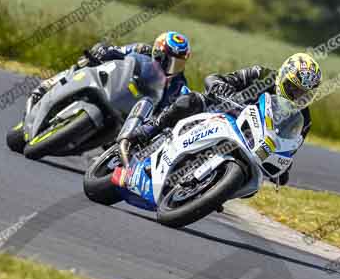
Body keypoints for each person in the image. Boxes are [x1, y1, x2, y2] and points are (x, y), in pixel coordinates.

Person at [117, 52, 323, 186]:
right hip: (222, 112)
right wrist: (221, 86)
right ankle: (149, 129)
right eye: (293, 89)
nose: (296, 97)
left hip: (250, 142)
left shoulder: (303, 118)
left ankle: (208, 189)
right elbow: (215, 78)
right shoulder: (261, 75)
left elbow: (290, 146)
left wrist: (284, 167)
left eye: (303, 94)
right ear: (282, 77)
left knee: (253, 184)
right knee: (191, 100)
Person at [27, 31, 192, 112]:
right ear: (158, 52)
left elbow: (177, 104)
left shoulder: (179, 84)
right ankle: (49, 85)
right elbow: (116, 51)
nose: (172, 67)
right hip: (116, 84)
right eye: (169, 60)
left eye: (177, 63)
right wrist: (102, 51)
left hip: (132, 111)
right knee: (87, 63)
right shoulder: (141, 49)